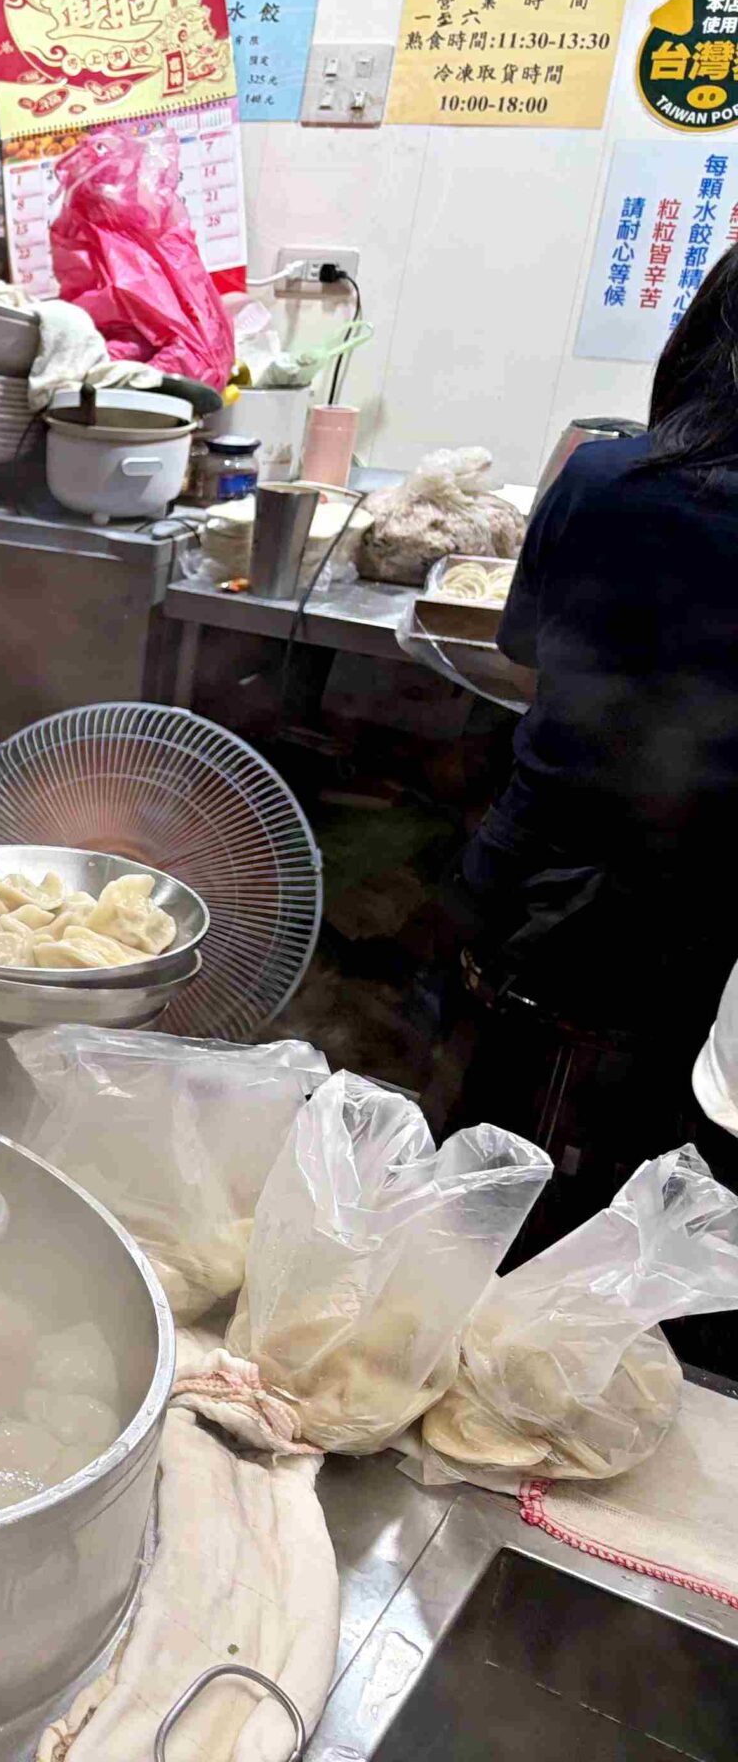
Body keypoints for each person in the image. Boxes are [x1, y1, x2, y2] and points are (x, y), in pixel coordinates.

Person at [448, 247, 738, 1366]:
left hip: (531, 875)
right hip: (688, 921)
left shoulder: (602, 478)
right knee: (623, 1167)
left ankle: (428, 1340)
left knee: (482, 1135)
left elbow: (521, 643)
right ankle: (550, 1375)